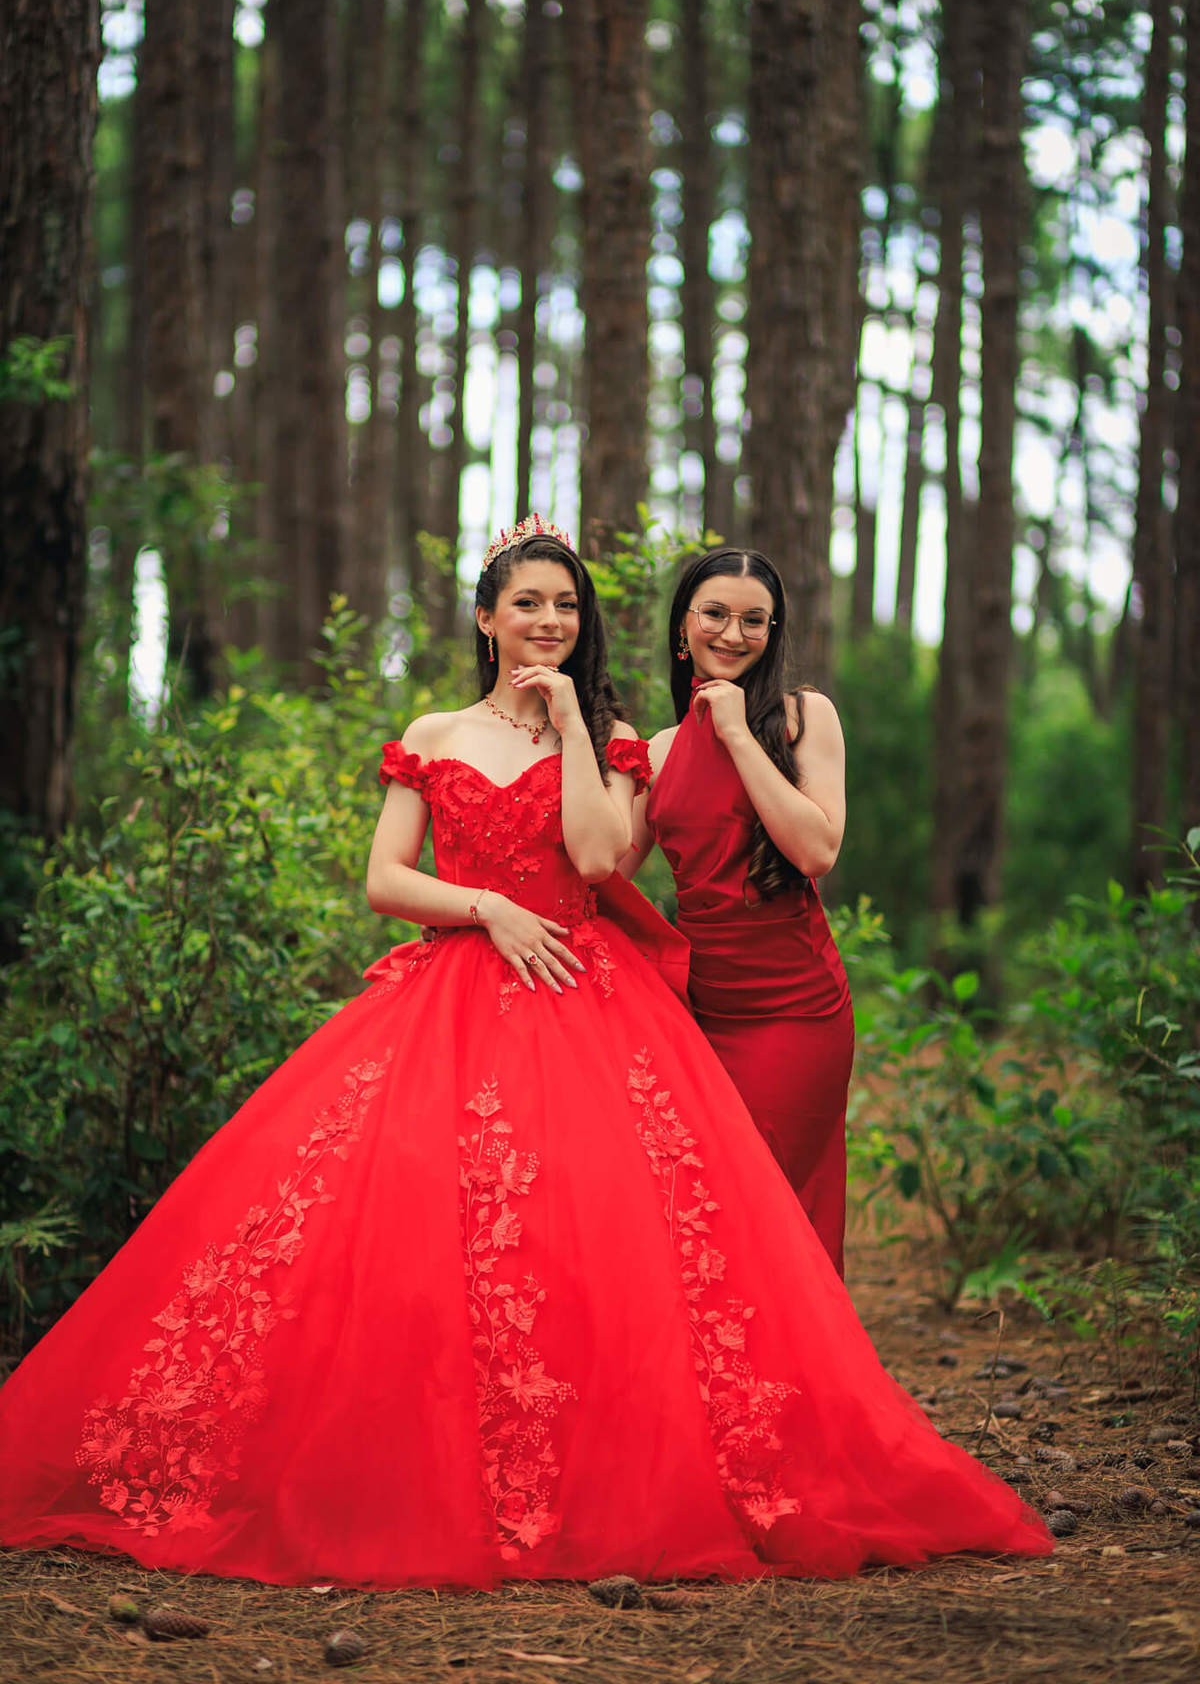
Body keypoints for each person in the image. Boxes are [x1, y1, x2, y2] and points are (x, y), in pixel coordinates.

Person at [0, 519, 1050, 1589]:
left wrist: (574, 727)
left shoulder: (620, 735)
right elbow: (385, 879)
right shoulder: (436, 730)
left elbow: (598, 859)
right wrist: (486, 908)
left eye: (567, 606)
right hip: (453, 991)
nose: (550, 621)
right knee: (387, 1220)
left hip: (583, 994)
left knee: (597, 1229)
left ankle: (592, 1463)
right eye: (529, 604)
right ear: (486, 618)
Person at [621, 548, 855, 1274]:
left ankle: (798, 1348)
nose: (733, 633)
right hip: (700, 1013)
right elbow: (604, 873)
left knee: (775, 1207)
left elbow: (816, 850)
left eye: (754, 620)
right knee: (701, 1207)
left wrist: (736, 734)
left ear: (773, 632)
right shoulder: (659, 751)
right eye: (715, 614)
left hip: (795, 1009)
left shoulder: (805, 716)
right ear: (683, 626)